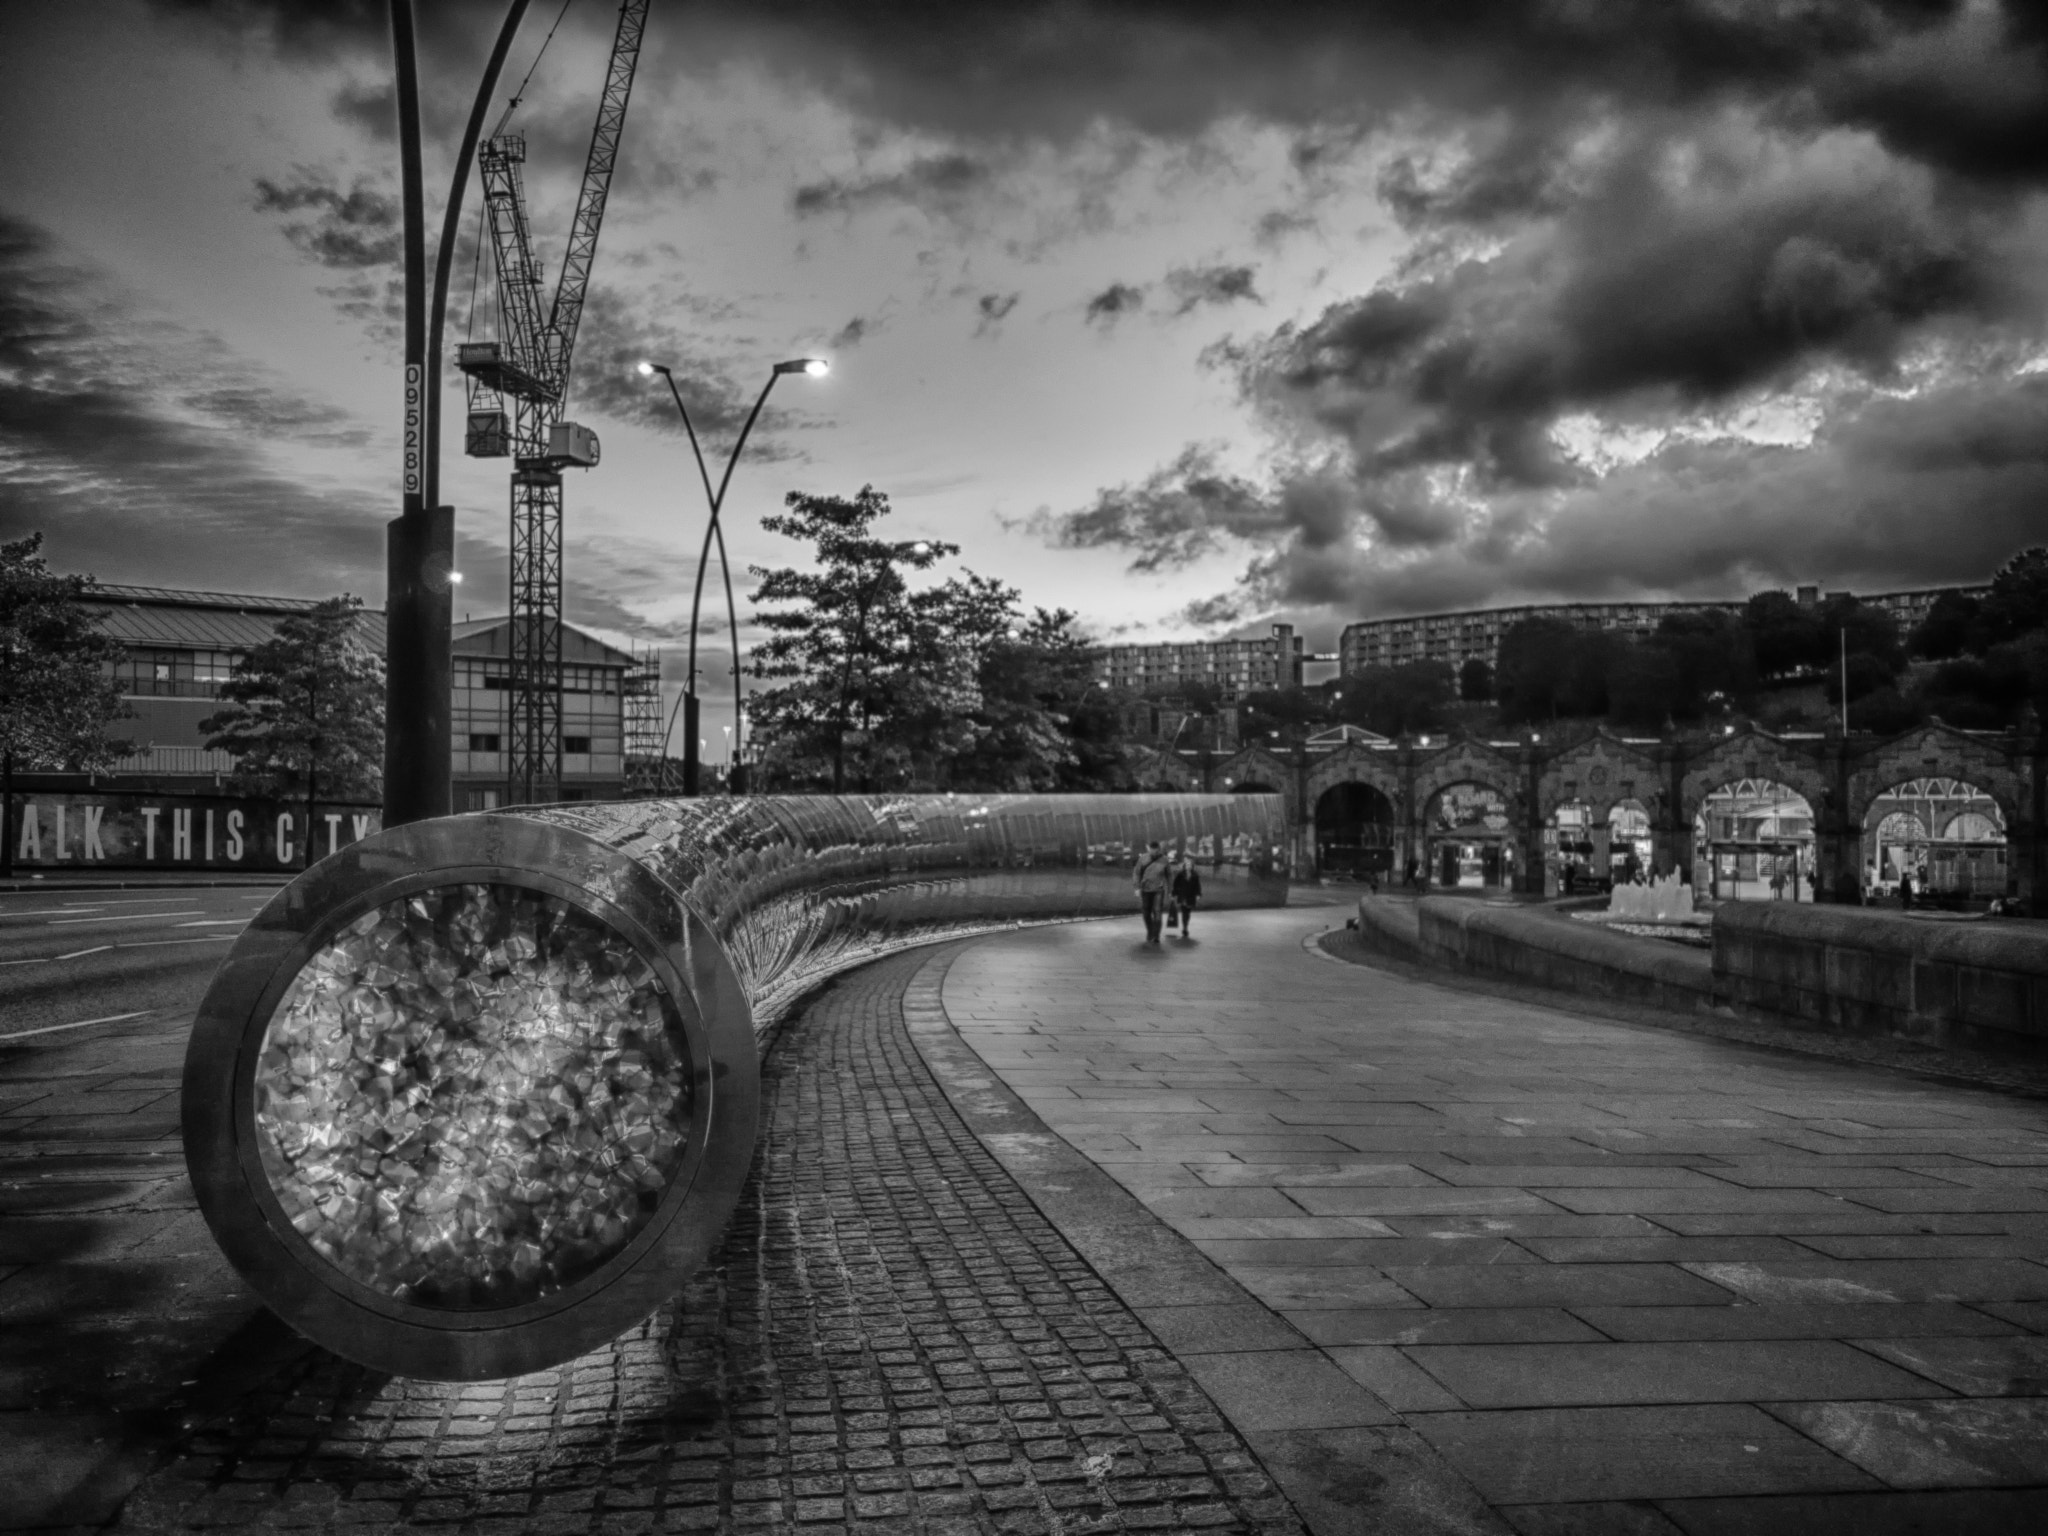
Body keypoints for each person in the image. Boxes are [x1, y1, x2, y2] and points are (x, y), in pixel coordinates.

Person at [1134, 841, 1171, 944]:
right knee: (1146, 912)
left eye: (1156, 850)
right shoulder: (1143, 858)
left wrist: (1170, 891)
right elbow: (1137, 873)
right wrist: (1137, 888)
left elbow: (1169, 876)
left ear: (1158, 849)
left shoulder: (1164, 860)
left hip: (1158, 890)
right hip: (1145, 890)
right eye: (1152, 850)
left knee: (1157, 912)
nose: (1154, 852)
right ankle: (1150, 931)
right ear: (1149, 849)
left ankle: (1156, 935)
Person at [1170, 856, 1203, 939]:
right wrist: (1173, 894)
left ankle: (1186, 925)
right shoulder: (1180, 874)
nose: (1188, 866)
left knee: (1188, 912)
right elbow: (1175, 885)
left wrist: (1198, 894)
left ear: (1192, 866)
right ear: (1184, 866)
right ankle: (1185, 928)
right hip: (1183, 895)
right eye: (1187, 865)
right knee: (1184, 911)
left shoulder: (1195, 875)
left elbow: (1197, 886)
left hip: (1191, 896)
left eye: (1190, 865)